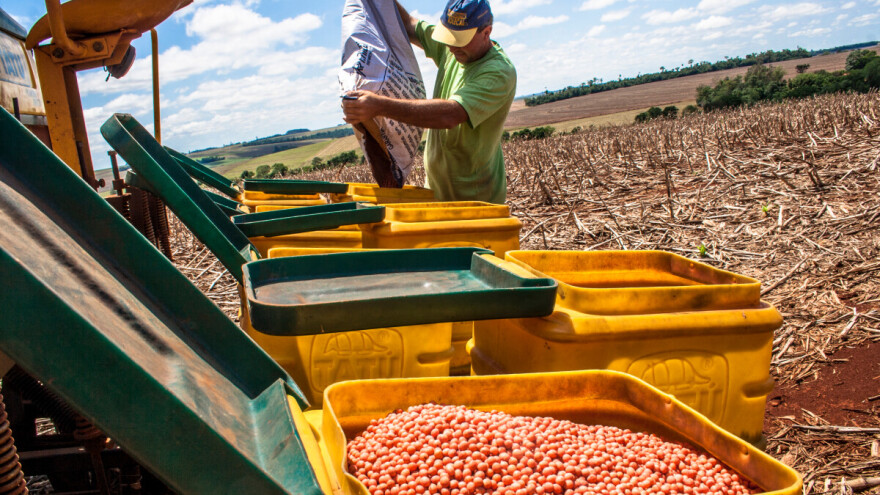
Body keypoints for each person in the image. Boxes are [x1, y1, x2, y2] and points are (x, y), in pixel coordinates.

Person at [342, 0, 516, 204]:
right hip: (437, 193)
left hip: (476, 199)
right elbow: (408, 24)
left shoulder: (498, 72)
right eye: (449, 36)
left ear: (486, 32)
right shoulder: (455, 47)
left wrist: (379, 105)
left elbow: (450, 114)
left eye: (460, 40)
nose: (451, 46)